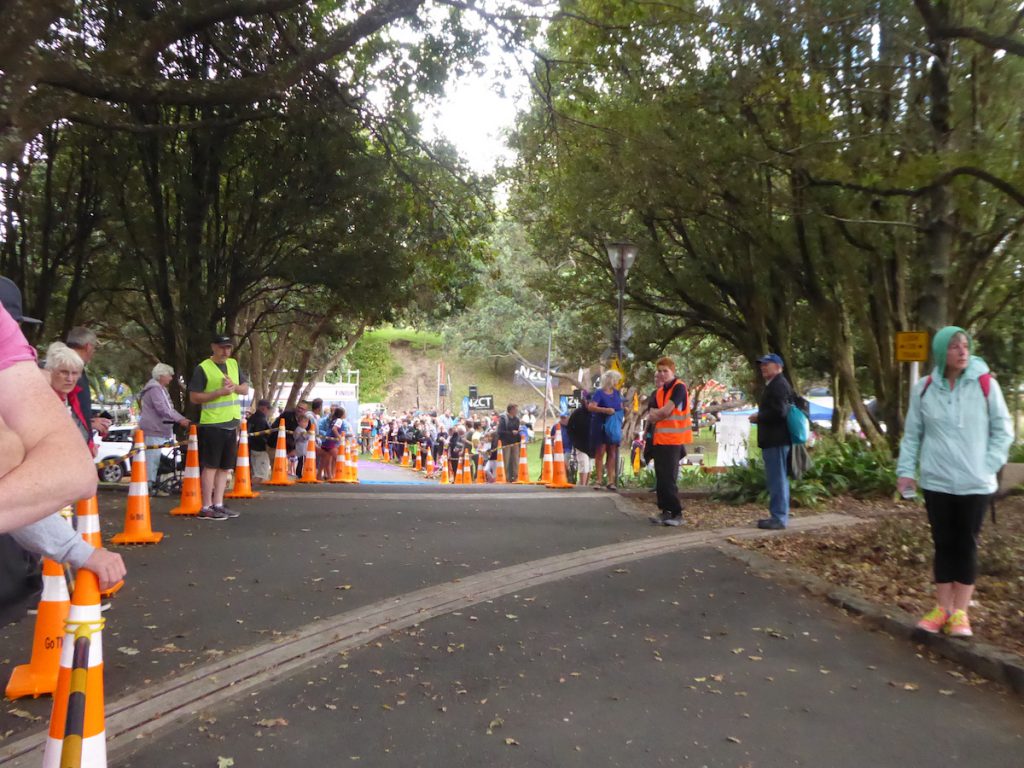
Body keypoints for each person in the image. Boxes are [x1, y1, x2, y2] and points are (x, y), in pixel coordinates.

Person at [896, 326, 1013, 638]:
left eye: (965, 345)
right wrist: (906, 471)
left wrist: (986, 466)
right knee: (943, 545)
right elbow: (912, 436)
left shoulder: (986, 385)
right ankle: (942, 609)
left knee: (966, 545)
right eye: (954, 347)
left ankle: (961, 613)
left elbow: (1004, 430)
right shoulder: (924, 388)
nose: (963, 351)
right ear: (940, 353)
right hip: (937, 482)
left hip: (975, 484)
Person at [188, 334, 250, 521]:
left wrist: (235, 387)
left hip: (231, 422)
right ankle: (206, 506)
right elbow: (194, 397)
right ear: (213, 347)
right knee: (211, 466)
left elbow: (245, 388)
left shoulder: (233, 364)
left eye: (228, 347)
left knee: (225, 468)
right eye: (222, 347)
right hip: (212, 423)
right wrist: (219, 392)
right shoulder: (203, 368)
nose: (225, 351)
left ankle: (218, 504)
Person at [749, 353, 792, 530]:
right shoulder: (774, 385)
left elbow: (780, 412)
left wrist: (759, 417)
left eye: (768, 364)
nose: (763, 367)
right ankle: (778, 514)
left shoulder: (779, 385)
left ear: (779, 366)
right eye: (762, 365)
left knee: (778, 479)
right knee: (777, 478)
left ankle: (779, 517)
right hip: (774, 439)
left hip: (777, 439)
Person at [646, 358, 691, 526]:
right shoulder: (658, 392)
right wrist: (659, 414)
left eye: (666, 371)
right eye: (660, 371)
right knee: (661, 477)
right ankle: (664, 511)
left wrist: (660, 414)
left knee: (669, 478)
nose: (662, 374)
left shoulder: (679, 387)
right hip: (659, 439)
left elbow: (665, 411)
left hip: (674, 440)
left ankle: (677, 512)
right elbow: (651, 414)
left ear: (673, 371)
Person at [138, 363, 190, 496]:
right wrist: (180, 419)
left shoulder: (158, 389)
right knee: (152, 458)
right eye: (169, 375)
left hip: (157, 428)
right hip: (154, 429)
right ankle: (150, 486)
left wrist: (180, 418)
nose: (171, 378)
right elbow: (163, 409)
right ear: (161, 375)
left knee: (154, 458)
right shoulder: (155, 390)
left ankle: (152, 484)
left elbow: (168, 409)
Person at [66, 326, 111, 438]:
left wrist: (90, 422)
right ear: (88, 347)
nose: (70, 378)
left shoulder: (70, 367)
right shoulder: (69, 368)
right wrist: (89, 424)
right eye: (94, 348)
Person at [587, 371, 624, 490]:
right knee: (600, 452)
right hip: (601, 425)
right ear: (611, 380)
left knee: (612, 452)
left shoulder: (617, 393)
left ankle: (610, 480)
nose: (617, 383)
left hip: (613, 426)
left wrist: (624, 410)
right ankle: (598, 479)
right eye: (616, 380)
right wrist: (605, 410)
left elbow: (620, 406)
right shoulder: (599, 393)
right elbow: (591, 407)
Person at [566, 393, 593, 486]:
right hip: (580, 445)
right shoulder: (577, 413)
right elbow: (569, 427)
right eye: (587, 401)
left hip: (592, 445)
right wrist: (574, 440)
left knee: (590, 467)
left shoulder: (595, 413)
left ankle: (586, 484)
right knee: (584, 465)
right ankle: (582, 486)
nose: (589, 403)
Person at [247, 399, 273, 482]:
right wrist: (267, 445)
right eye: (268, 409)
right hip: (260, 449)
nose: (269, 411)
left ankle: (253, 488)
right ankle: (257, 489)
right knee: (261, 474)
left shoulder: (251, 418)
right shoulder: (261, 419)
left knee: (256, 472)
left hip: (251, 448)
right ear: (264, 408)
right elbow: (259, 436)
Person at [497, 404, 521, 482]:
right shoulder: (504, 419)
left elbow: (517, 429)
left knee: (515, 460)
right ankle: (506, 477)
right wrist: (511, 432)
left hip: (515, 442)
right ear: (511, 410)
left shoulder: (517, 419)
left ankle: (516, 477)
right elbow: (500, 431)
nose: (517, 411)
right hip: (506, 443)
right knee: (506, 460)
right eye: (515, 410)